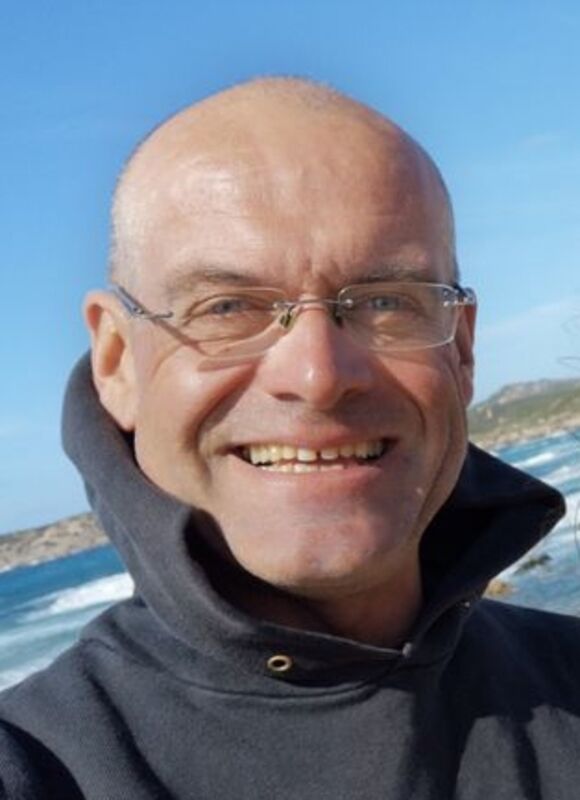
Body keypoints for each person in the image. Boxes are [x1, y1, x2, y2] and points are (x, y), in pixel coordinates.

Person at [1, 77, 579, 799]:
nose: (317, 375)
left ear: (461, 349)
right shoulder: (37, 767)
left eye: (384, 301)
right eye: (227, 307)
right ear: (117, 363)